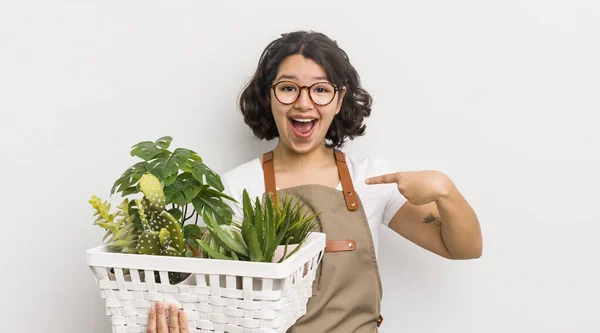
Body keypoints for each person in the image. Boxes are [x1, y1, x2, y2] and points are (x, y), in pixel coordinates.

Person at [147, 30, 482, 333]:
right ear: (269, 96)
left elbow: (463, 248)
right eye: (288, 88)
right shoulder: (235, 188)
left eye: (320, 89)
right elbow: (213, 307)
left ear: (338, 100)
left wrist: (445, 189)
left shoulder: (370, 180)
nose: (303, 102)